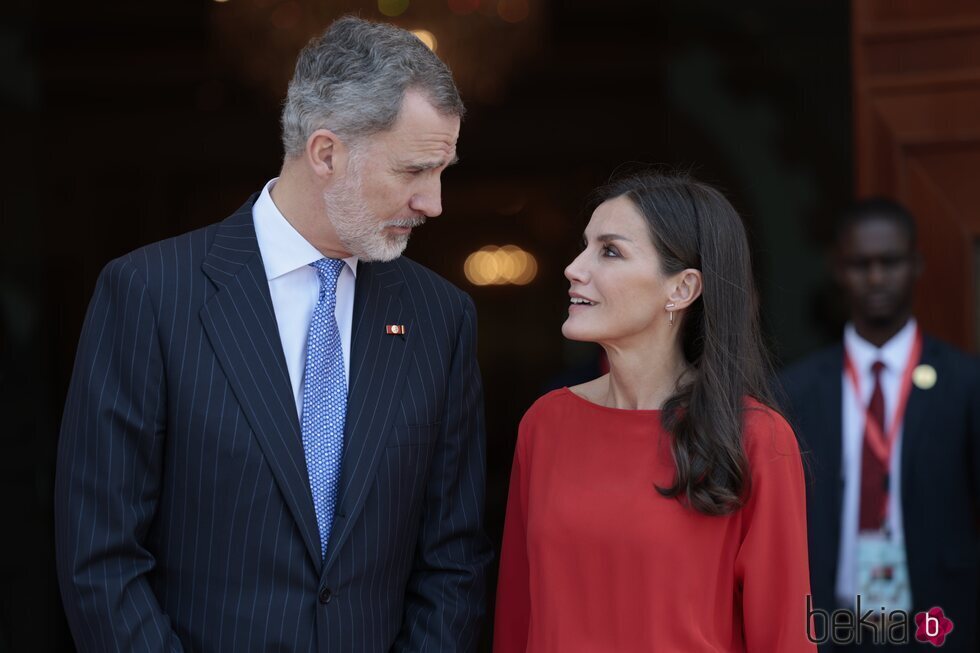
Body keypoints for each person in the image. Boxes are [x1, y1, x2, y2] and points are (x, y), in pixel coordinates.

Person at [55, 16, 492, 652]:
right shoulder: (149, 294)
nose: (435, 202)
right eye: (414, 171)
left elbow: (454, 561)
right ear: (325, 153)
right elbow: (100, 556)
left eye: (444, 170)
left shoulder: (441, 318)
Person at [493, 173, 815, 652]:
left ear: (682, 289)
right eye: (585, 246)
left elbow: (785, 635)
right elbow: (516, 617)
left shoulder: (756, 436)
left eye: (610, 251)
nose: (574, 268)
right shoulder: (545, 423)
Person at [780, 198, 980, 652]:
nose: (875, 278)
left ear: (916, 265)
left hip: (940, 628)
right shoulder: (794, 390)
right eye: (859, 264)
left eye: (889, 262)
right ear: (837, 269)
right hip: (830, 629)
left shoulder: (966, 384)